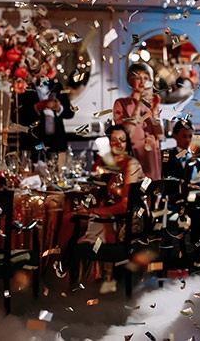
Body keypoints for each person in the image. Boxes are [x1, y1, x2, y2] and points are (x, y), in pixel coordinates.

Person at [73, 125, 144, 293]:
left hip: (126, 219)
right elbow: (93, 189)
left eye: (122, 140)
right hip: (109, 214)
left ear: (127, 143)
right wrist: (102, 160)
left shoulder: (131, 164)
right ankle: (63, 273)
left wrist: (92, 212)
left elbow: (124, 206)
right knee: (71, 217)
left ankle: (59, 272)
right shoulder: (107, 161)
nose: (118, 144)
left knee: (74, 221)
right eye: (113, 140)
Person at [161, 119, 200, 267]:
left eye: (190, 136)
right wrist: (186, 165)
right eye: (184, 136)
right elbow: (168, 180)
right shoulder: (167, 156)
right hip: (177, 200)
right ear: (175, 136)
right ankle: (184, 259)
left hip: (199, 200)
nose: (188, 140)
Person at [113, 62, 164, 180]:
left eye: (146, 78)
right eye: (137, 77)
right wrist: (138, 106)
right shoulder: (121, 103)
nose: (142, 81)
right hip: (134, 156)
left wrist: (155, 112)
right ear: (130, 81)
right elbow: (125, 134)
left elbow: (160, 135)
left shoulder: (152, 103)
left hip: (151, 156)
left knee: (153, 192)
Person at [13, 72, 74, 162]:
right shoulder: (23, 88)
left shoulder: (57, 86)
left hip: (56, 143)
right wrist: (37, 107)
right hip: (32, 143)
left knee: (58, 173)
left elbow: (70, 113)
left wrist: (59, 108)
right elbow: (15, 117)